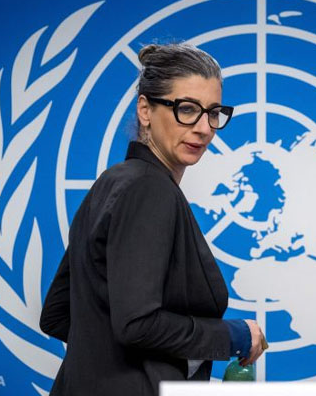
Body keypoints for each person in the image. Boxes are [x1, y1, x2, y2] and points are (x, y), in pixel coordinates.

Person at [40, 43, 266, 396]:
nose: (204, 128)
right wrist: (234, 335)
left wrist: (105, 361)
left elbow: (56, 315)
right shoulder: (149, 189)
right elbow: (137, 324)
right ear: (145, 110)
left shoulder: (112, 183)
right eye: (187, 109)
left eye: (213, 113)